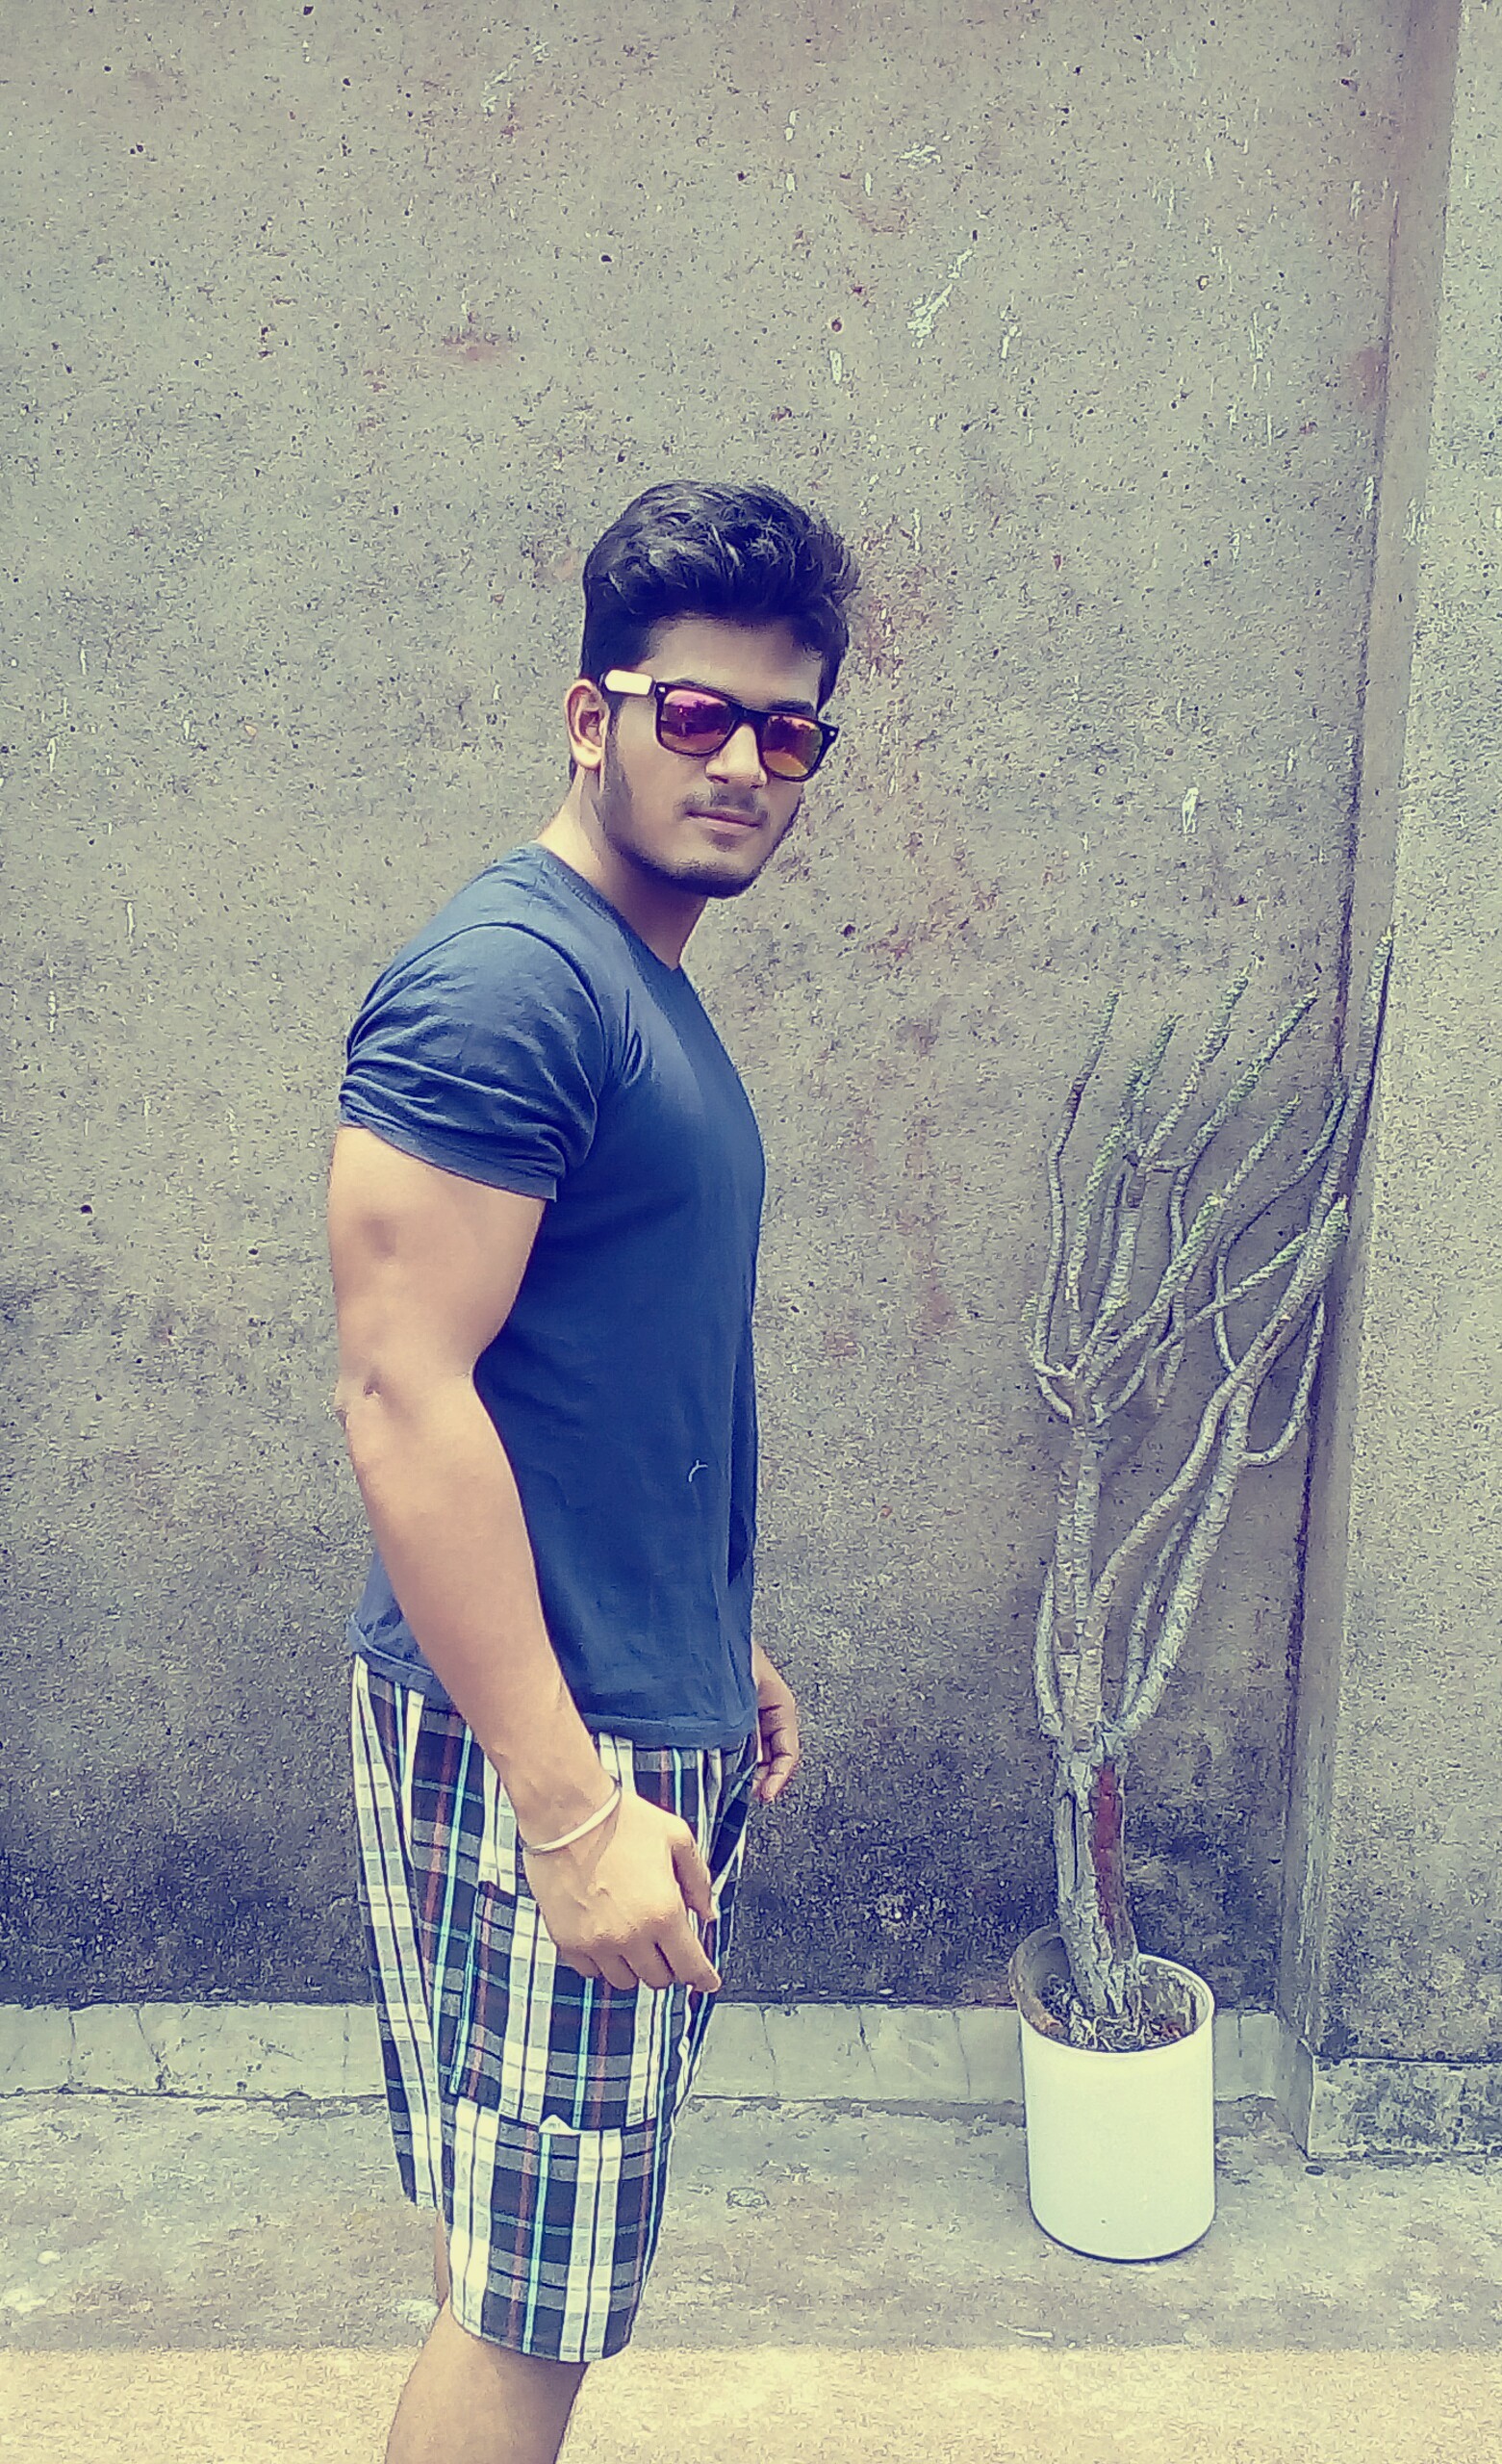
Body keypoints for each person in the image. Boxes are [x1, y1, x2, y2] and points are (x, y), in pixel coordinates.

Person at [327, 478, 860, 2464]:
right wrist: (568, 1807)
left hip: (629, 1687)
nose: (740, 764)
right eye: (693, 713)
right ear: (589, 715)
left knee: (511, 2259)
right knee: (527, 2313)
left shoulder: (635, 986)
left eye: (785, 732)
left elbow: (599, 1370)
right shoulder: (512, 981)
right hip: (556, 1748)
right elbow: (403, 1394)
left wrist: (715, 1631)